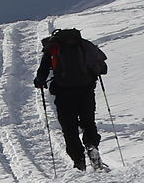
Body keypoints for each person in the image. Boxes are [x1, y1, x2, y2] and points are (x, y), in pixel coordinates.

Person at [33, 26, 109, 172]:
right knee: (88, 122)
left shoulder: (53, 48)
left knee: (69, 128)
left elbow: (42, 73)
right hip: (86, 91)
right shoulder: (84, 44)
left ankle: (78, 160)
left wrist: (39, 82)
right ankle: (92, 145)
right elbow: (102, 68)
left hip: (64, 94)